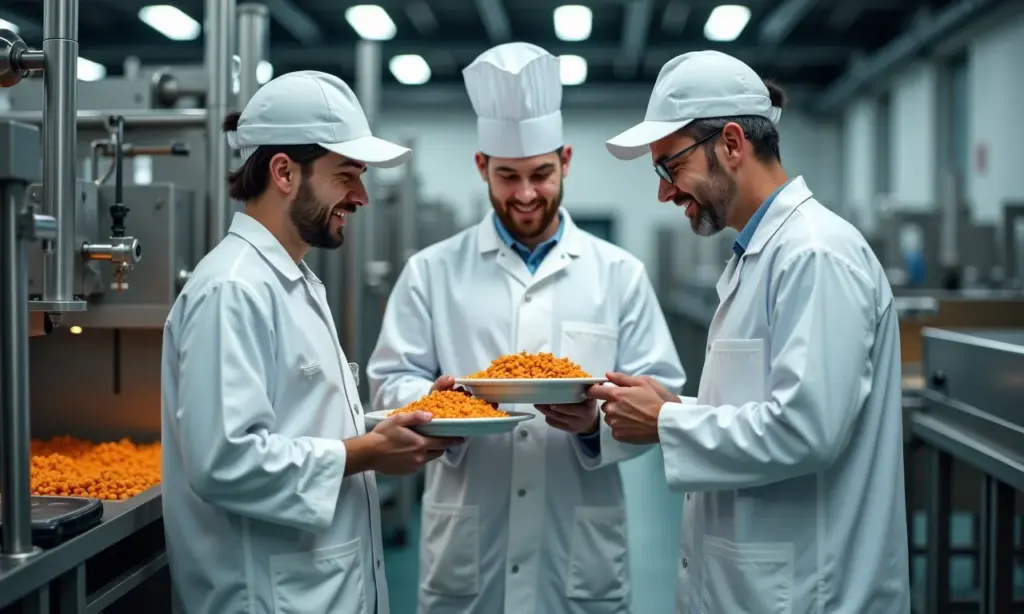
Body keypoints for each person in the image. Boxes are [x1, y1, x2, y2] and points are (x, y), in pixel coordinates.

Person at [366, 43, 686, 614]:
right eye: (507, 175)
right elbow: (390, 381)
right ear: (481, 167)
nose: (525, 194)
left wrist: (595, 425)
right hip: (469, 540)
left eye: (540, 173)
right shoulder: (432, 270)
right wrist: (434, 410)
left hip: (578, 548)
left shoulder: (619, 274)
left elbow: (659, 395)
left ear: (565, 160)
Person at [590, 50, 911, 613]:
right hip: (765, 584)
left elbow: (805, 428)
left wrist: (667, 422)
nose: (664, 192)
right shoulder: (759, 256)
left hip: (815, 591)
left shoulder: (815, 253)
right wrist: (669, 407)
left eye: (669, 166)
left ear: (733, 144)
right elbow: (765, 405)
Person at [160, 70, 461, 614]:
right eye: (347, 175)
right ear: (283, 172)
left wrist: (403, 422)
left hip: (313, 586)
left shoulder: (291, 280)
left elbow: (300, 425)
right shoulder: (233, 288)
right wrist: (368, 453)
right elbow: (223, 461)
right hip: (264, 595)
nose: (362, 196)